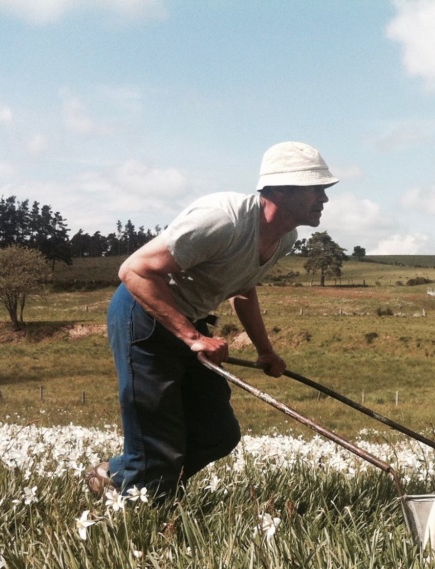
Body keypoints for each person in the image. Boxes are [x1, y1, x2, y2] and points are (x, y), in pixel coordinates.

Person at [85, 141, 338, 500]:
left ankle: (118, 474)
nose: (324, 199)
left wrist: (266, 351)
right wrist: (191, 338)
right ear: (282, 188)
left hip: (189, 322)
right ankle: (143, 514)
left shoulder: (284, 238)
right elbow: (134, 270)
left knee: (217, 434)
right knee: (158, 434)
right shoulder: (222, 220)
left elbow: (244, 289)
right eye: (316, 189)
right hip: (142, 314)